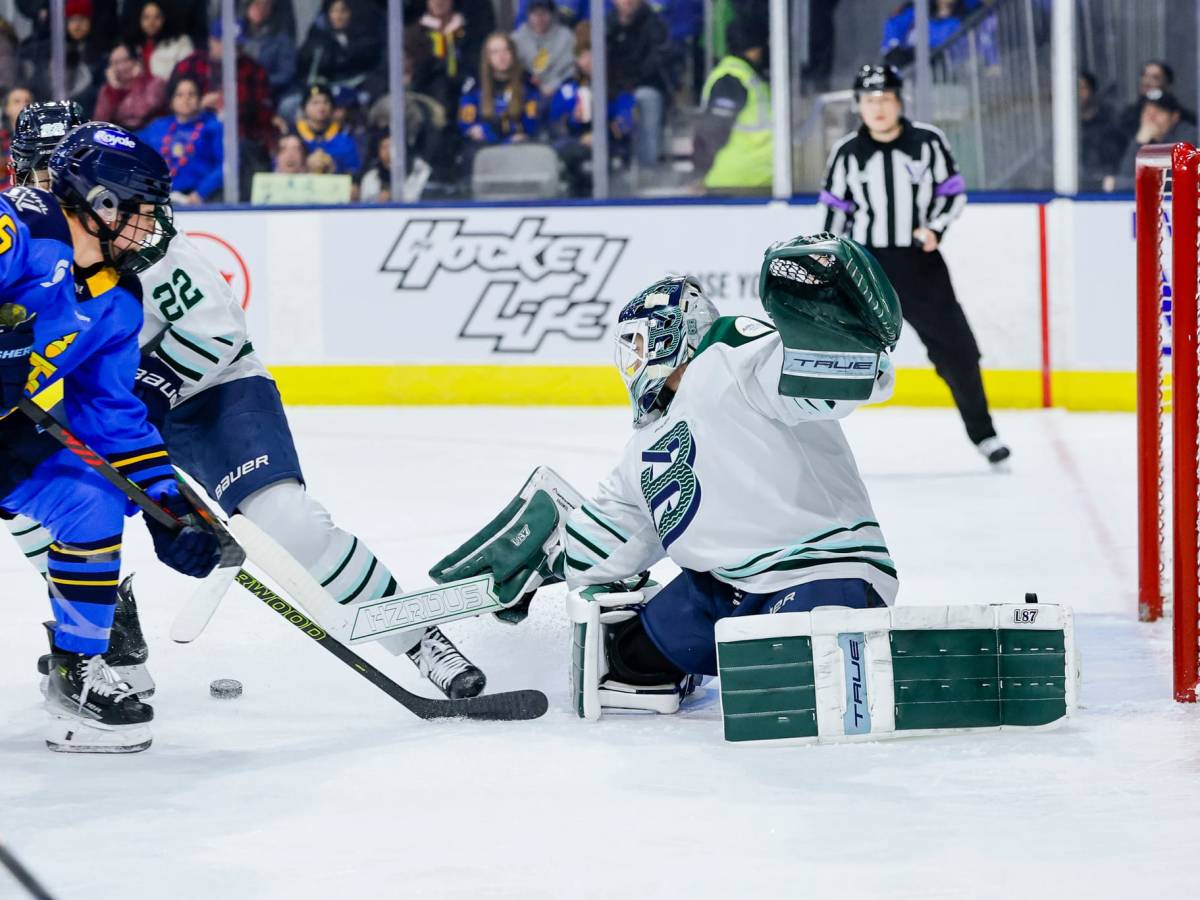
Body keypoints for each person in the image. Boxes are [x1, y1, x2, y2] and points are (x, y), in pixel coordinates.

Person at [7, 102, 488, 703]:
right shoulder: (25, 244)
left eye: (56, 179)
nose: (44, 191)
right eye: (36, 175)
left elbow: (215, 333)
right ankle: (106, 634)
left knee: (285, 520)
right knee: (38, 501)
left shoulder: (141, 248)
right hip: (111, 403)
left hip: (210, 392)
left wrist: (149, 452)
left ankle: (416, 636)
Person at [431, 237, 900, 719]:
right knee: (629, 660)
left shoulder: (732, 353)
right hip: (723, 590)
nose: (632, 362)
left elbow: (821, 381)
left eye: (637, 344)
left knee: (791, 691)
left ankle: (855, 655)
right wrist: (546, 558)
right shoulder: (644, 445)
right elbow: (613, 533)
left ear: (675, 331)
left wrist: (839, 341)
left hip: (821, 571)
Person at [0, 121, 221, 753]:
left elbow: (112, 417)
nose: (152, 226)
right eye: (142, 210)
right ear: (100, 203)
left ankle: (77, 674)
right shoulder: (21, 225)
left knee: (89, 499)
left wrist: (168, 508)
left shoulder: (118, 302)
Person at [821, 64, 1009, 465]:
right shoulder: (847, 154)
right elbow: (837, 212)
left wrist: (936, 228)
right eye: (870, 100)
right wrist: (831, 257)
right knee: (833, 352)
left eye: (886, 99)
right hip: (867, 268)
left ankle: (985, 435)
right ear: (859, 106)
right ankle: (813, 446)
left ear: (899, 101)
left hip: (920, 263)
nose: (879, 108)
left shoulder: (928, 143)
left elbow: (952, 193)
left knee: (958, 351)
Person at [547, 21, 636, 196]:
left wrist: (603, 132)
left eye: (591, 53)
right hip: (573, 150)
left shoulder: (620, 89)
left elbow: (626, 125)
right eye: (581, 55)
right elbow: (553, 128)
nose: (586, 61)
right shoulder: (568, 90)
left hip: (610, 149)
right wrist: (572, 119)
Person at [170, 17, 276, 153]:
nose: (235, 51)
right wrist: (197, 106)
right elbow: (170, 105)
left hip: (240, 139)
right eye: (228, 46)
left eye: (238, 46)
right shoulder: (189, 66)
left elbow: (264, 114)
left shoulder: (254, 70)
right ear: (212, 42)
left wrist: (234, 107)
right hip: (191, 134)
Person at [692, 15, 771, 193]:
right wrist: (700, 173)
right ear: (754, 47)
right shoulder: (732, 78)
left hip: (754, 180)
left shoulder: (750, 76)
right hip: (736, 184)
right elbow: (712, 132)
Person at [608, 0, 673, 170]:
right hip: (614, 89)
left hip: (646, 85)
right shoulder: (606, 26)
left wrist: (631, 84)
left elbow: (657, 61)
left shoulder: (655, 25)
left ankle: (647, 168)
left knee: (645, 97)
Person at [139, 74, 224, 204]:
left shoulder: (213, 127)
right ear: (172, 101)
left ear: (200, 99)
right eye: (180, 95)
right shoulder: (158, 127)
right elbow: (132, 145)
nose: (186, 99)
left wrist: (201, 193)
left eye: (192, 94)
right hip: (161, 199)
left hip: (201, 201)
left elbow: (224, 166)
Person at [458, 33, 540, 151]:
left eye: (505, 50)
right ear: (488, 57)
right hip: (484, 144)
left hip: (518, 144)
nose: (501, 57)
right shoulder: (475, 85)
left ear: (513, 54)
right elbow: (467, 120)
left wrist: (518, 135)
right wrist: (475, 129)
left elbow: (532, 120)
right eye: (495, 52)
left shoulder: (527, 82)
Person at [1107, 90, 1197, 193]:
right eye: (1147, 112)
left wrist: (1120, 184)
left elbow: (1175, 181)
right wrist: (1139, 142)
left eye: (1158, 112)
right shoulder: (1141, 136)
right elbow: (1126, 174)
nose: (1151, 118)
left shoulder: (1188, 136)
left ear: (1174, 117)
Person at [296, 0, 382, 95]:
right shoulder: (317, 40)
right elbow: (308, 72)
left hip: (357, 90)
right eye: (334, 11)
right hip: (324, 92)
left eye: (343, 11)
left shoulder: (364, 39)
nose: (339, 16)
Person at [93, 42, 169, 132]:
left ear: (137, 60)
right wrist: (115, 90)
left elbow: (140, 112)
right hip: (119, 137)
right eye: (115, 63)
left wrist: (138, 80)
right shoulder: (108, 90)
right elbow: (100, 123)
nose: (121, 67)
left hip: (151, 135)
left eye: (125, 60)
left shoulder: (155, 83)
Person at [511, 0, 575, 101]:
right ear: (528, 15)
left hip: (560, 90)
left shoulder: (566, 36)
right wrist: (528, 78)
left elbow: (571, 68)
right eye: (535, 14)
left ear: (552, 14)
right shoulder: (516, 39)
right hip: (528, 91)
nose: (539, 18)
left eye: (543, 13)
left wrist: (554, 84)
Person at [293, 80, 360, 174]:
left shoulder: (345, 138)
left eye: (326, 102)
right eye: (315, 103)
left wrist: (333, 166)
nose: (321, 107)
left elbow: (354, 171)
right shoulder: (293, 136)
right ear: (304, 108)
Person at [241, 0, 297, 103]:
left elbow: (286, 74)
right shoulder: (237, 34)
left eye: (265, 5)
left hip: (270, 93)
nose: (260, 9)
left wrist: (261, 82)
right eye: (256, 4)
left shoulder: (281, 39)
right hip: (239, 90)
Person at [1078, 70, 1125, 193]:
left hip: (1103, 190)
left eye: (1082, 88)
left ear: (1092, 92)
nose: (1077, 93)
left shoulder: (1110, 126)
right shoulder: (1063, 128)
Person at [129, 0, 194, 82]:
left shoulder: (181, 42)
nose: (151, 23)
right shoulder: (134, 47)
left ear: (164, 18)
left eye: (157, 17)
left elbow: (187, 76)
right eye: (146, 17)